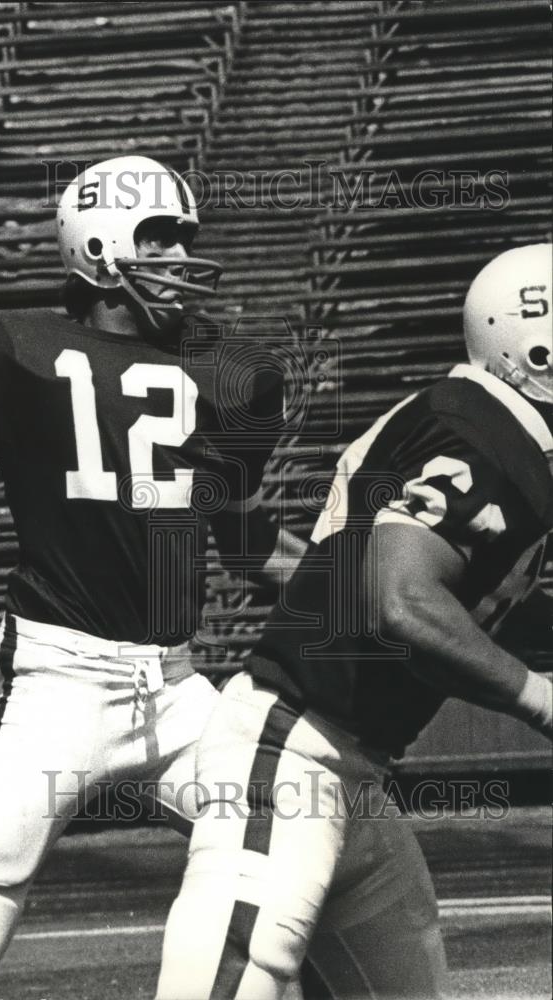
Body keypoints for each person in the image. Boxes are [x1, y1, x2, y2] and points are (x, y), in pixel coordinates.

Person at [0, 155, 304, 1000]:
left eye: (186, 239)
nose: (182, 259)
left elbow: (243, 542)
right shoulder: (19, 344)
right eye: (160, 239)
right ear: (101, 247)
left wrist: (357, 583)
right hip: (60, 690)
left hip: (178, 691)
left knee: (304, 847)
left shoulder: (230, 373)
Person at [155, 242, 553, 1000]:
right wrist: (539, 698)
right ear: (534, 349)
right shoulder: (483, 432)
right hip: (291, 750)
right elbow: (403, 601)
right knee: (235, 979)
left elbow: (462, 595)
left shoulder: (491, 429)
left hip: (354, 773)